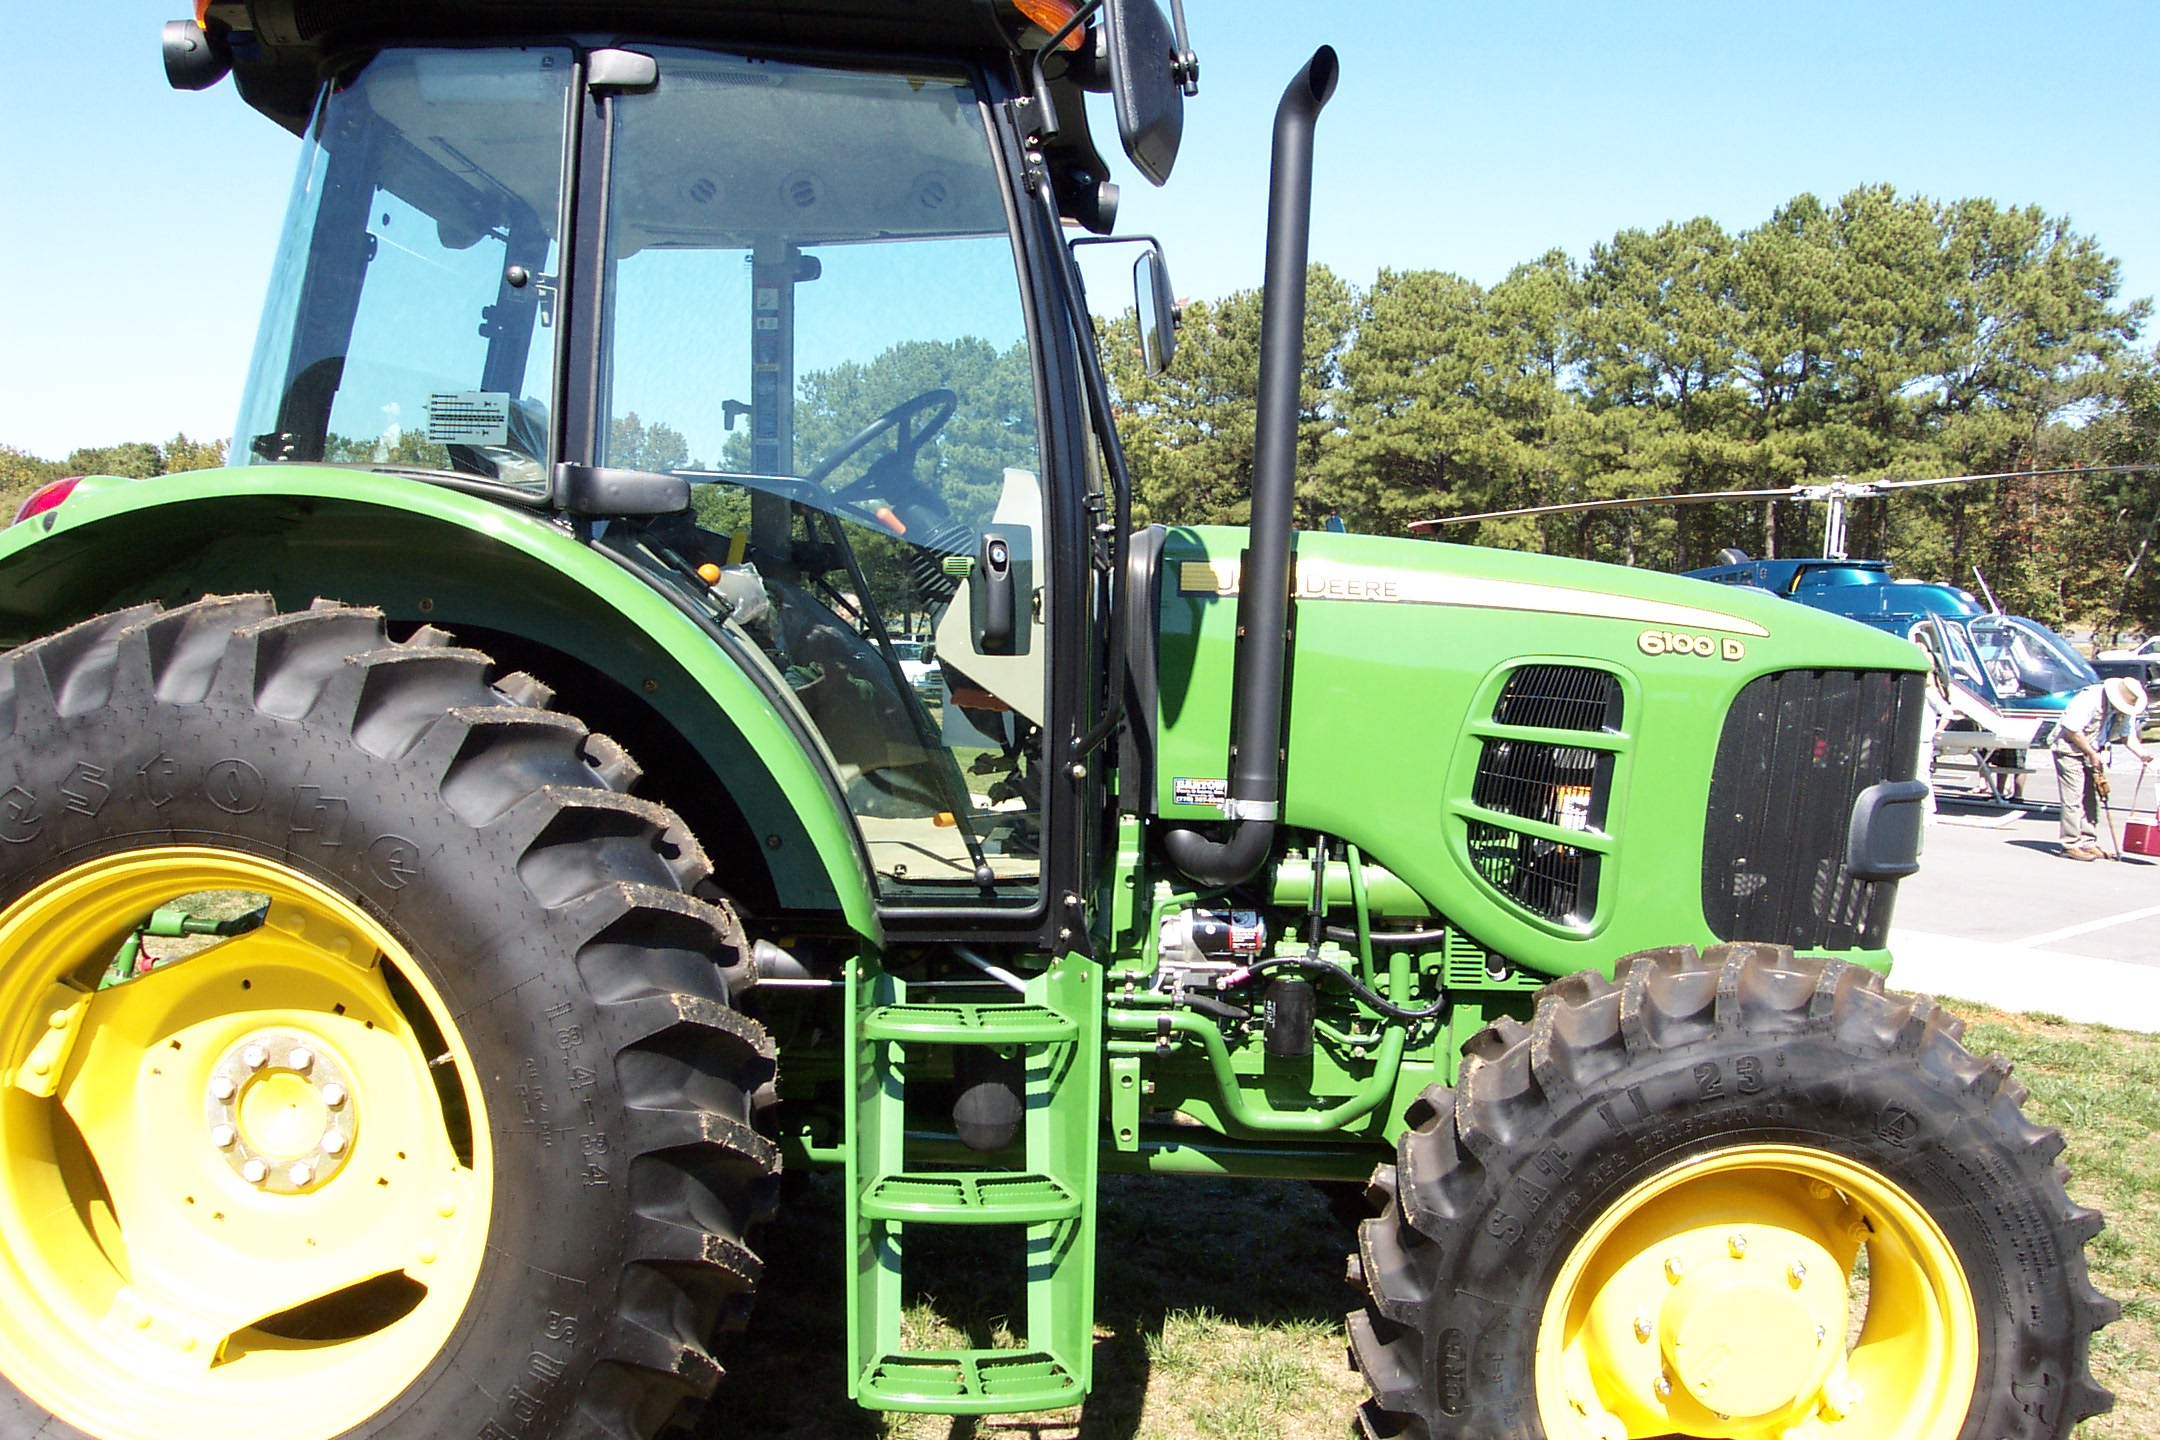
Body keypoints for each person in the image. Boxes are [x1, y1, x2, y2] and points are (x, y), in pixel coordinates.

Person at [2051, 675, 2151, 859]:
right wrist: (2090, 752)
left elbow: (2127, 735)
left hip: (2095, 750)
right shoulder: (2090, 698)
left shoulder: (2127, 706)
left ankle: (2088, 842)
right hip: (2069, 748)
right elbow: (2072, 729)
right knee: (2073, 798)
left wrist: (2142, 754)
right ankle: (2070, 844)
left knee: (2093, 797)